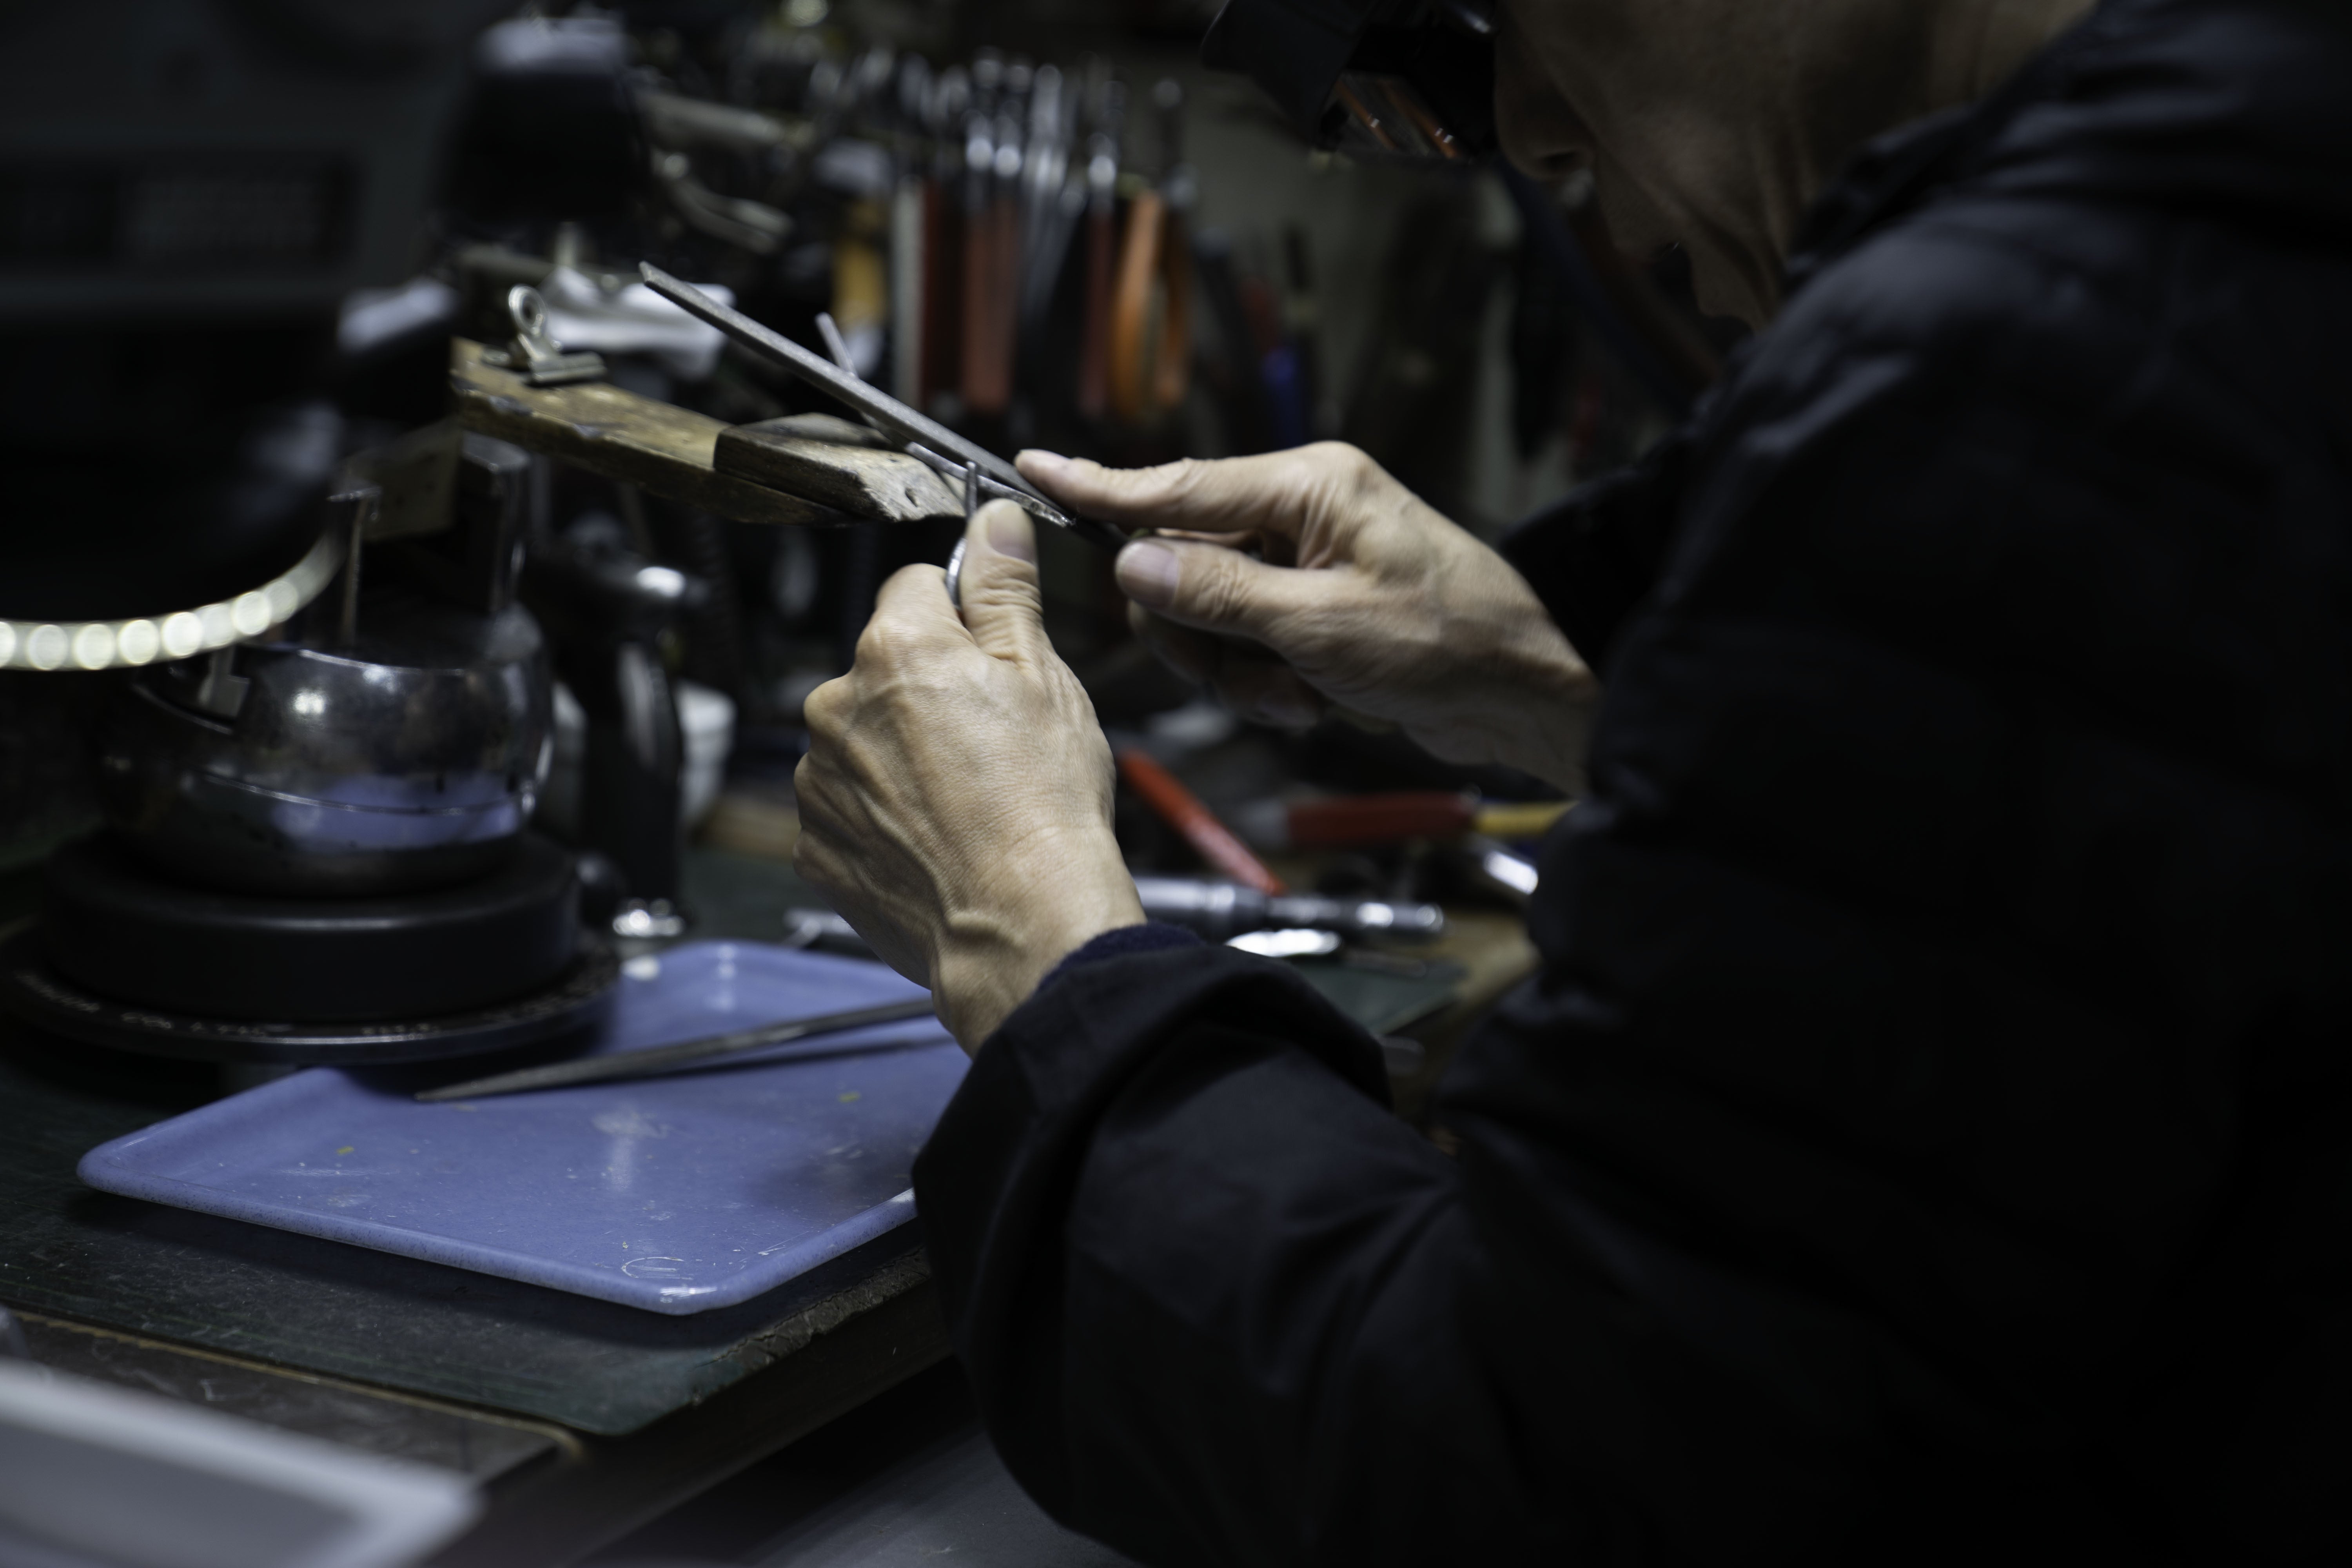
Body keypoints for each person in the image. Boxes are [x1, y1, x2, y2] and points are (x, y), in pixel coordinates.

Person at [792, 0, 2352, 1559]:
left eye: (1496, 16)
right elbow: (2084, 845)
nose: (1531, 134)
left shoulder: (2024, 382)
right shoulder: (2248, 225)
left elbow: (1551, 1469)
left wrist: (1031, 931)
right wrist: (1550, 675)